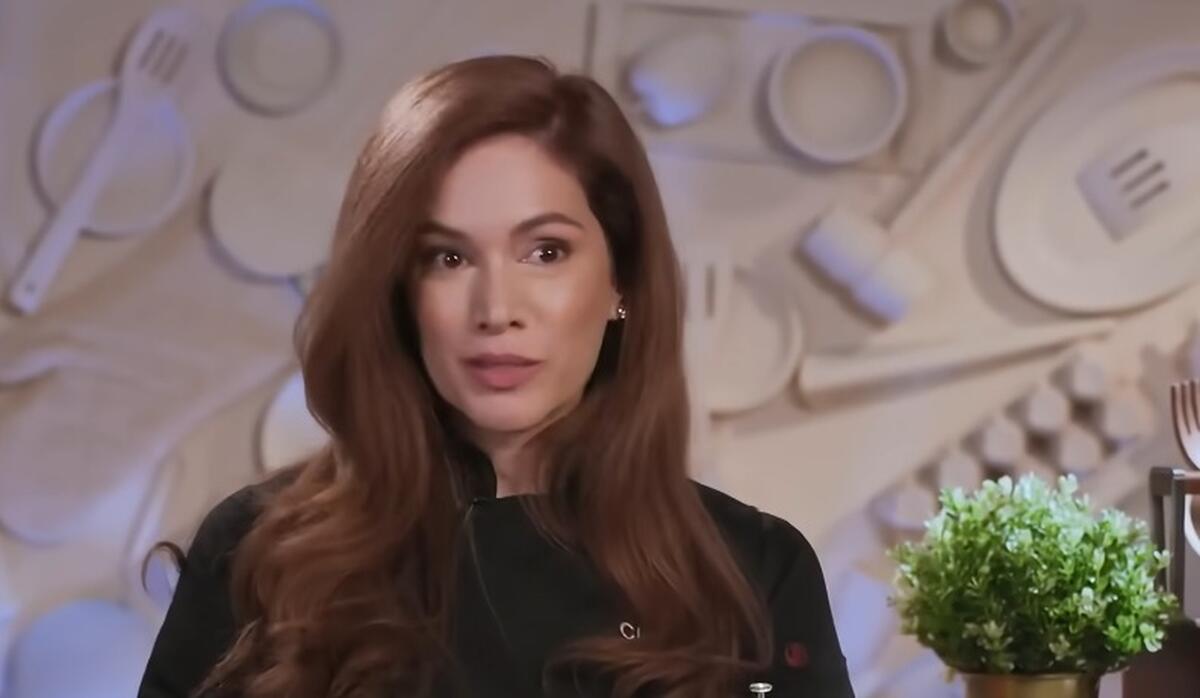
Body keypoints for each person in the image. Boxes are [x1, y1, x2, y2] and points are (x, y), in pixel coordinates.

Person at [137, 55, 854, 698]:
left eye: (545, 252)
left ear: (621, 281)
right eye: (447, 258)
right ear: (398, 291)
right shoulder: (260, 554)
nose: (496, 309)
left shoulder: (754, 575)